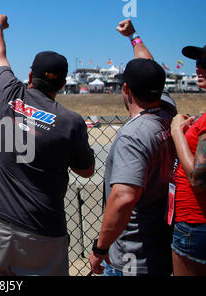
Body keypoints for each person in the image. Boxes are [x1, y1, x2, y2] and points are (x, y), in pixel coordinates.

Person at [0, 14, 95, 276]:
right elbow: (86, 170)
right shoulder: (70, 121)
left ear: (30, 75)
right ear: (62, 84)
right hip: (42, 230)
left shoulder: (8, 92)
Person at [89, 19, 177, 276]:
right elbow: (150, 68)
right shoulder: (166, 112)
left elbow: (124, 197)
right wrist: (133, 36)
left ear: (125, 89)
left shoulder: (134, 135)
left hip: (131, 255)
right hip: (158, 244)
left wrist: (100, 249)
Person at [169, 44, 206, 276]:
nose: (198, 68)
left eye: (205, 63)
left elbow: (198, 177)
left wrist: (176, 133)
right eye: (199, 62)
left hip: (196, 223)